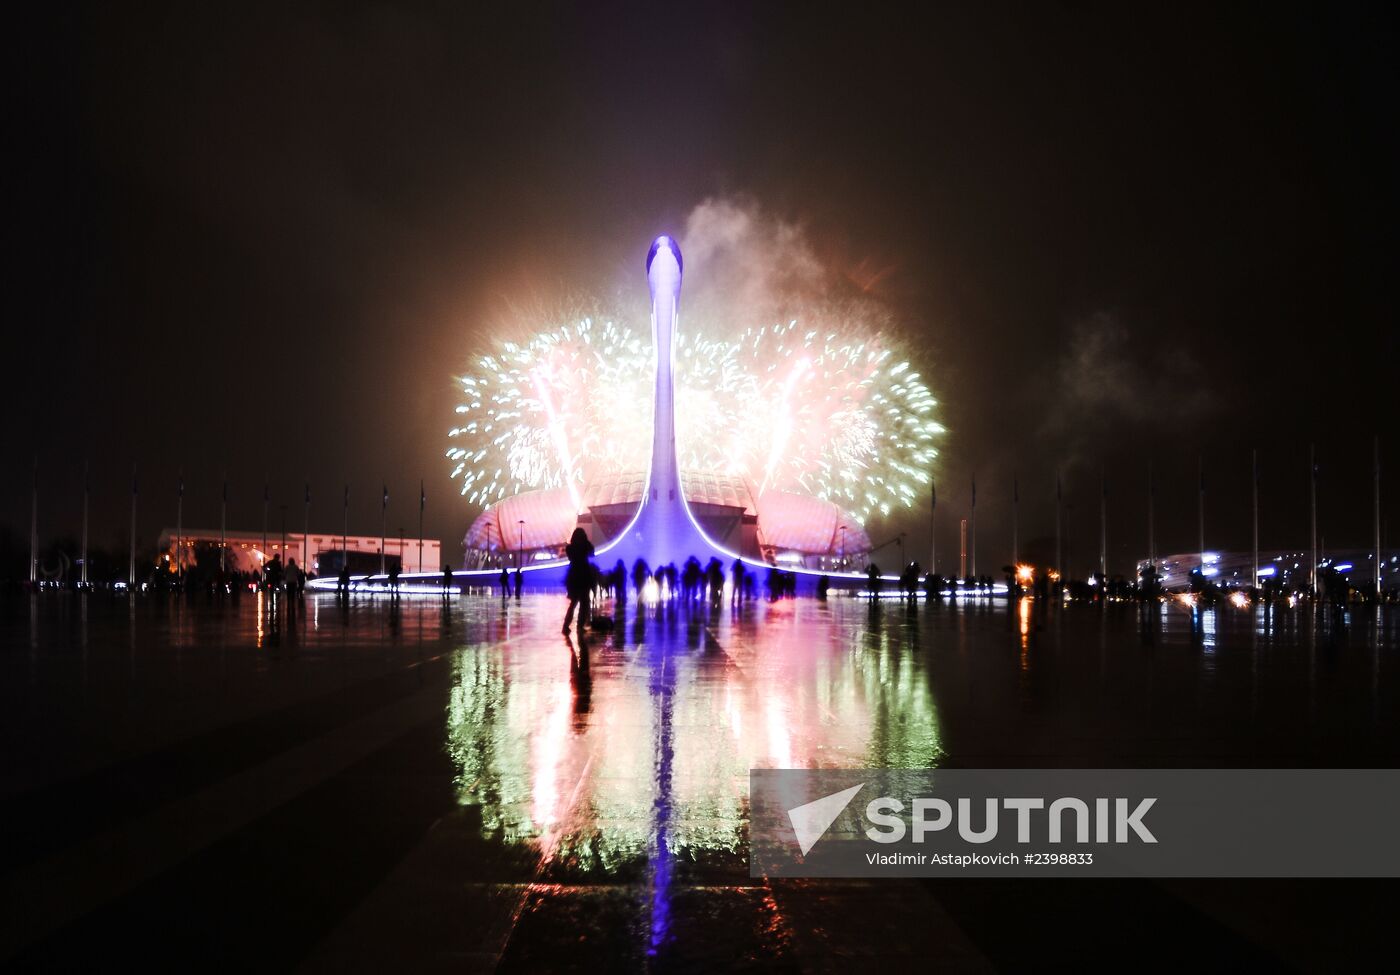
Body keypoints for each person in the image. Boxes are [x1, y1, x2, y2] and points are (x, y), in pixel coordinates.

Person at [563, 527, 595, 634]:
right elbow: (592, 553)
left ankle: (566, 625)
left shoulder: (570, 548)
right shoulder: (586, 546)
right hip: (584, 576)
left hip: (574, 576)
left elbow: (571, 557)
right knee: (584, 602)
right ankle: (580, 625)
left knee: (574, 603)